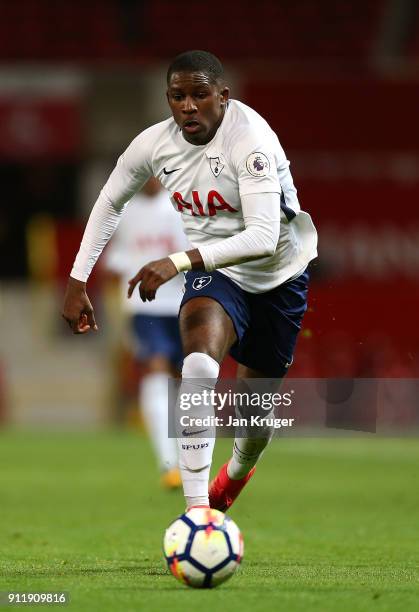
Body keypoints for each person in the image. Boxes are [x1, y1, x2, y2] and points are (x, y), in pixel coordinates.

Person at [62, 50, 317, 513]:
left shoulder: (251, 140)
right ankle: (197, 514)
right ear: (168, 99)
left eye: (200, 95)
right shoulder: (154, 144)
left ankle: (238, 470)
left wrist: (177, 260)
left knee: (253, 423)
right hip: (216, 275)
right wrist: (77, 280)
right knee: (197, 363)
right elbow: (109, 202)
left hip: (279, 277)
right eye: (178, 96)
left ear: (223, 96)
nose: (189, 106)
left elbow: (262, 236)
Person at [103, 177, 187, 489]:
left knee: (183, 381)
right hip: (144, 308)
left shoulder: (182, 207)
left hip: (183, 304)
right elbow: (116, 258)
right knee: (156, 368)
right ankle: (168, 465)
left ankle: (188, 460)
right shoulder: (124, 212)